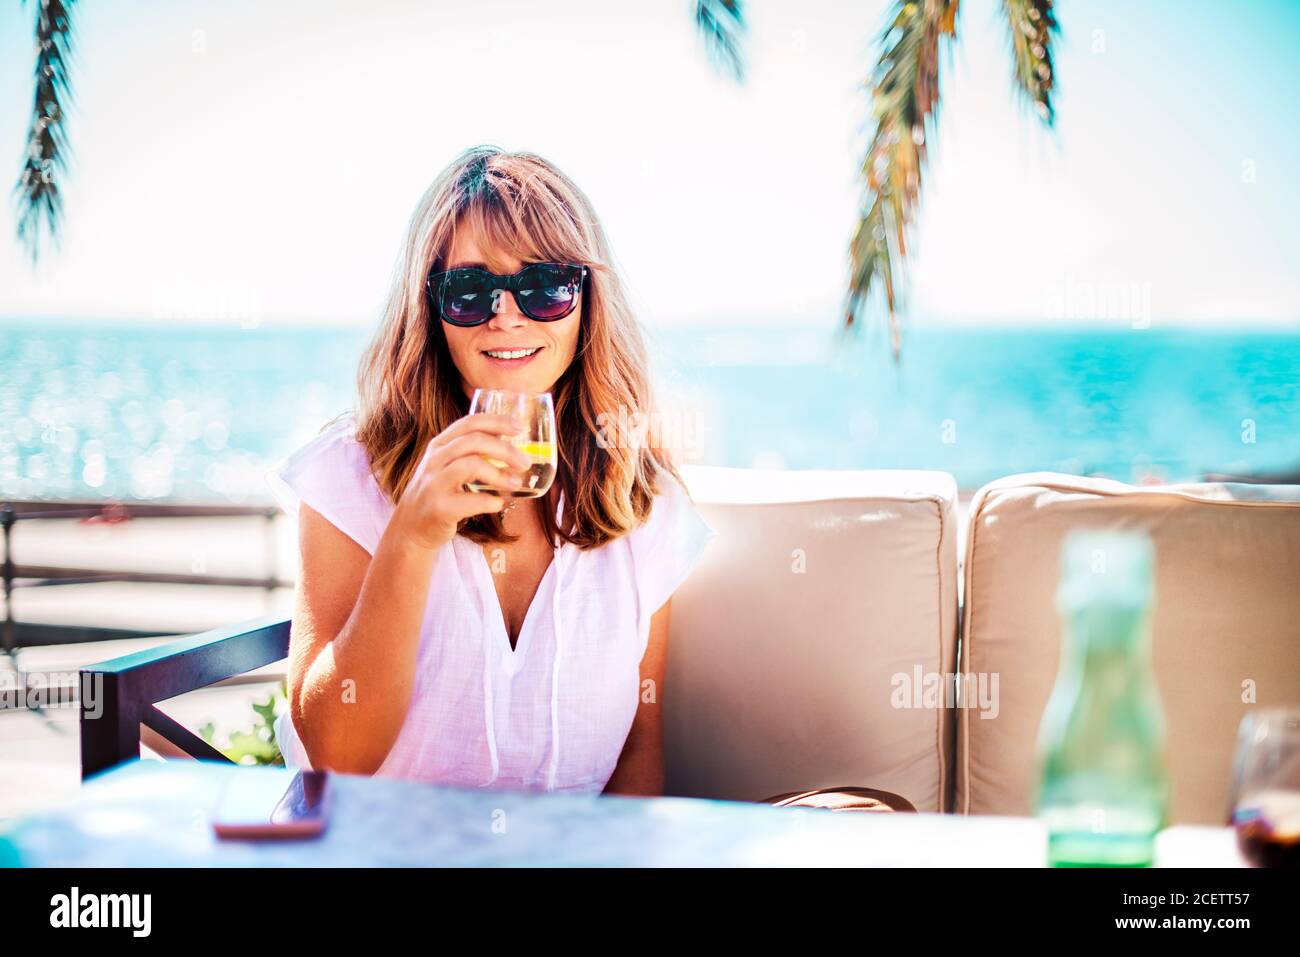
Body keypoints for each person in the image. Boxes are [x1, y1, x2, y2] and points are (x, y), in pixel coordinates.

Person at [264, 145, 714, 796]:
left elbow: (638, 750)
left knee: (863, 812)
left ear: (587, 300)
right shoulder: (350, 476)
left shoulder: (639, 499)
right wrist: (412, 535)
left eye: (543, 286)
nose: (507, 314)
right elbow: (333, 755)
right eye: (471, 291)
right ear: (432, 308)